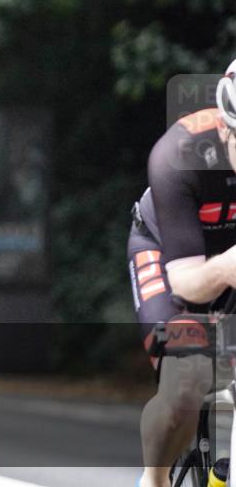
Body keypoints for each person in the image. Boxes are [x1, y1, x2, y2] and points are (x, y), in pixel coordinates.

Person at [131, 60, 236, 487]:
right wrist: (229, 266)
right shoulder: (178, 155)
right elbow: (187, 282)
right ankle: (153, 480)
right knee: (184, 387)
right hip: (171, 257)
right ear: (227, 128)